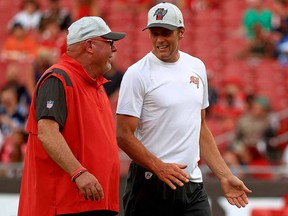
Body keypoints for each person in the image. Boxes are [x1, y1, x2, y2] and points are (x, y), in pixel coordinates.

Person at [116, 2, 252, 216]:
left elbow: (201, 127)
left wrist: (225, 175)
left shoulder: (197, 67)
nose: (159, 39)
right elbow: (123, 135)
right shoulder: (137, 74)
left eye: (166, 33)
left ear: (181, 33)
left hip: (191, 183)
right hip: (150, 184)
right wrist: (160, 167)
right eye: (154, 32)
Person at [18, 16, 125, 216]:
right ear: (90, 46)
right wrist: (79, 172)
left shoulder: (96, 85)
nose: (114, 49)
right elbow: (48, 132)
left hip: (92, 202)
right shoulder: (58, 78)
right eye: (109, 42)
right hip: (65, 204)